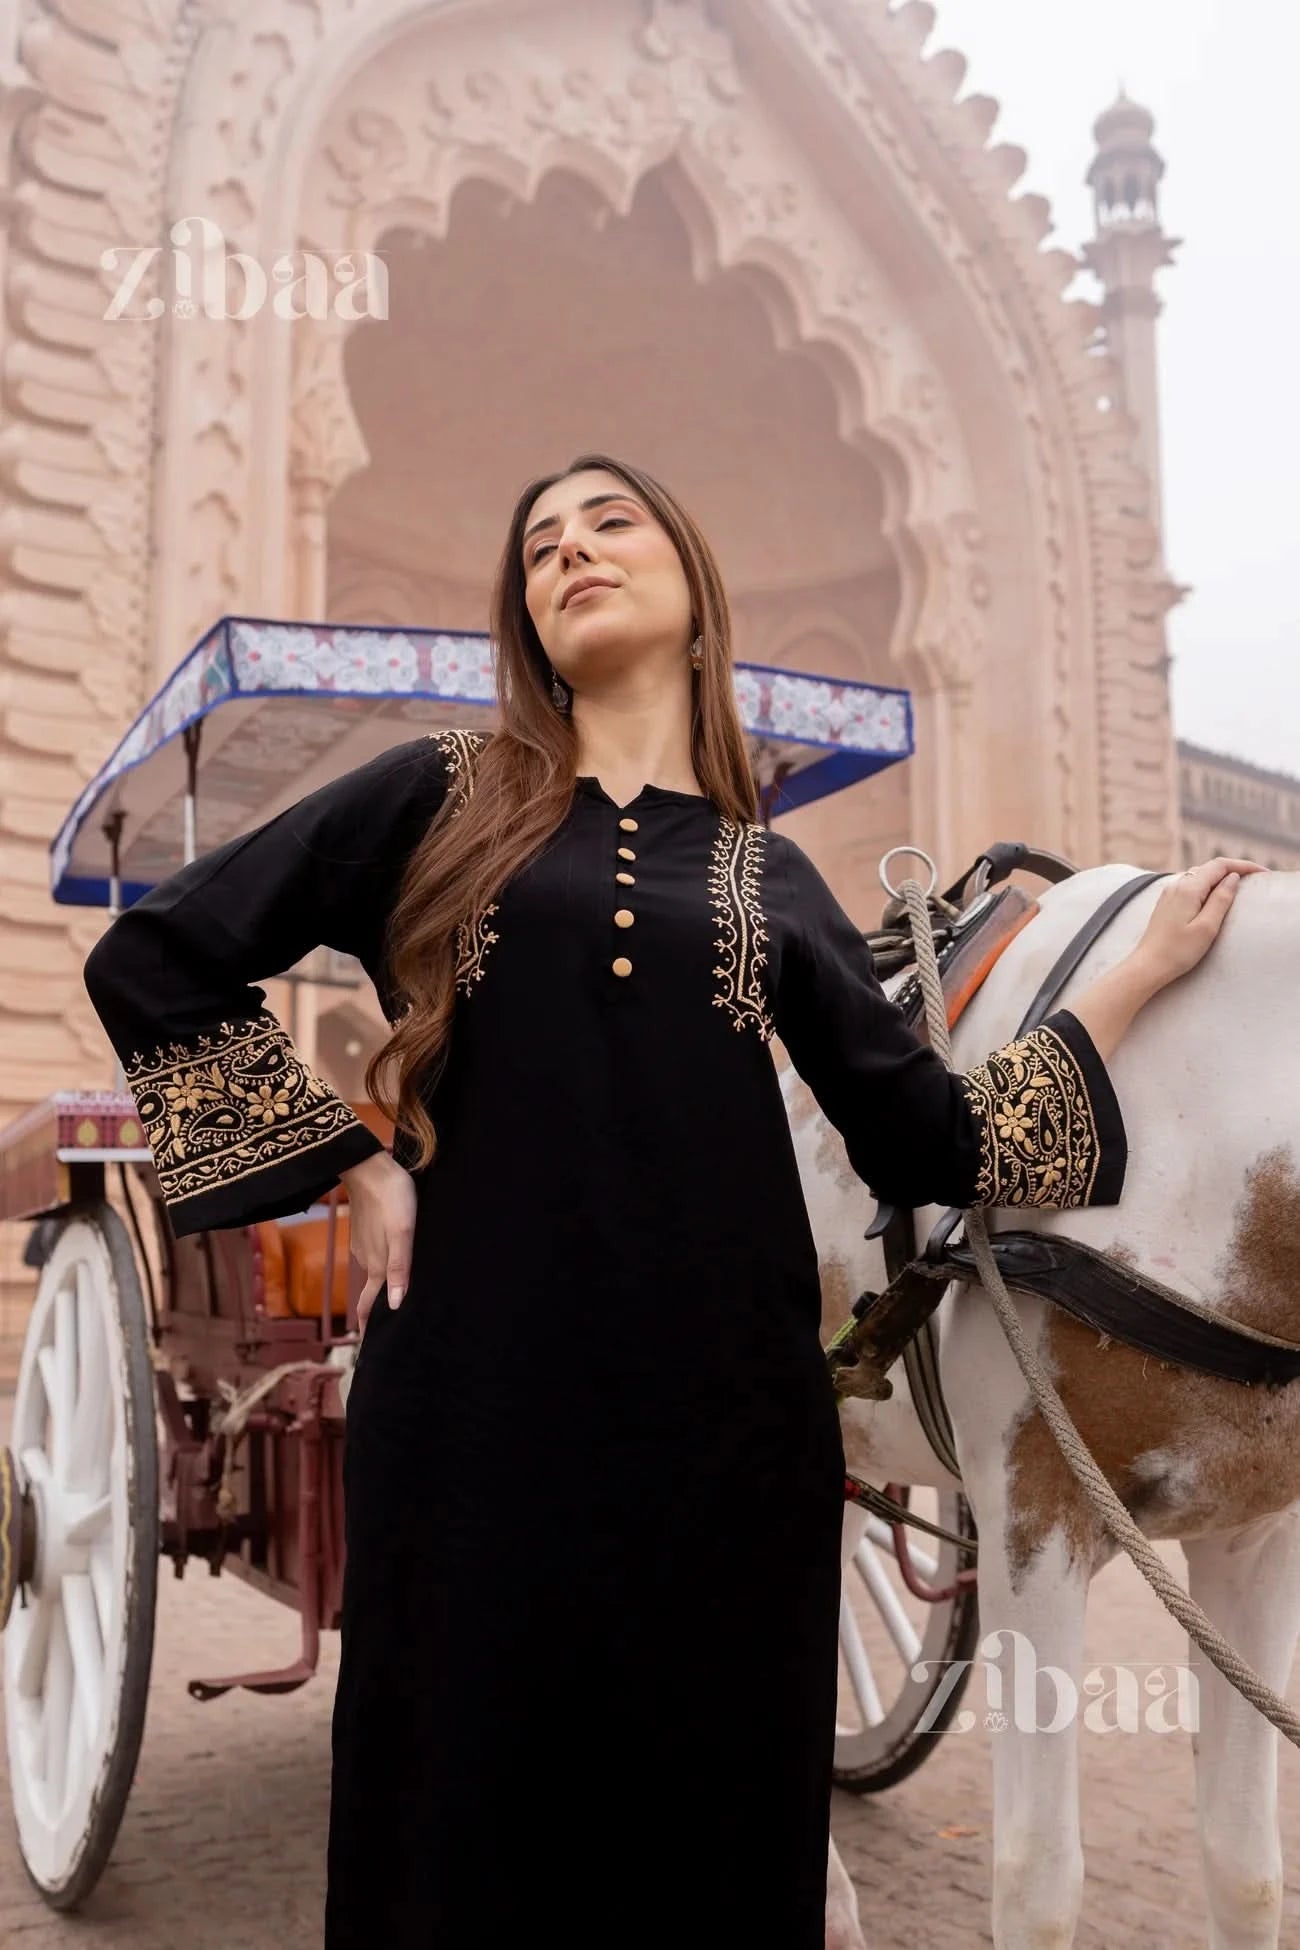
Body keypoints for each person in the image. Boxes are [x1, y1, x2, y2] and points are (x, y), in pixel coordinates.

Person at [83, 453, 1257, 1949]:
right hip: (472, 1418)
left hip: (727, 1446)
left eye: (608, 523)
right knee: (451, 1815)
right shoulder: (446, 793)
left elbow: (935, 1139)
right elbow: (158, 959)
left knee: (708, 1839)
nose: (569, 551)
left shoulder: (772, 881)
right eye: (538, 547)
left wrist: (1132, 981)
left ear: (695, 587)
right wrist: (349, 1160)